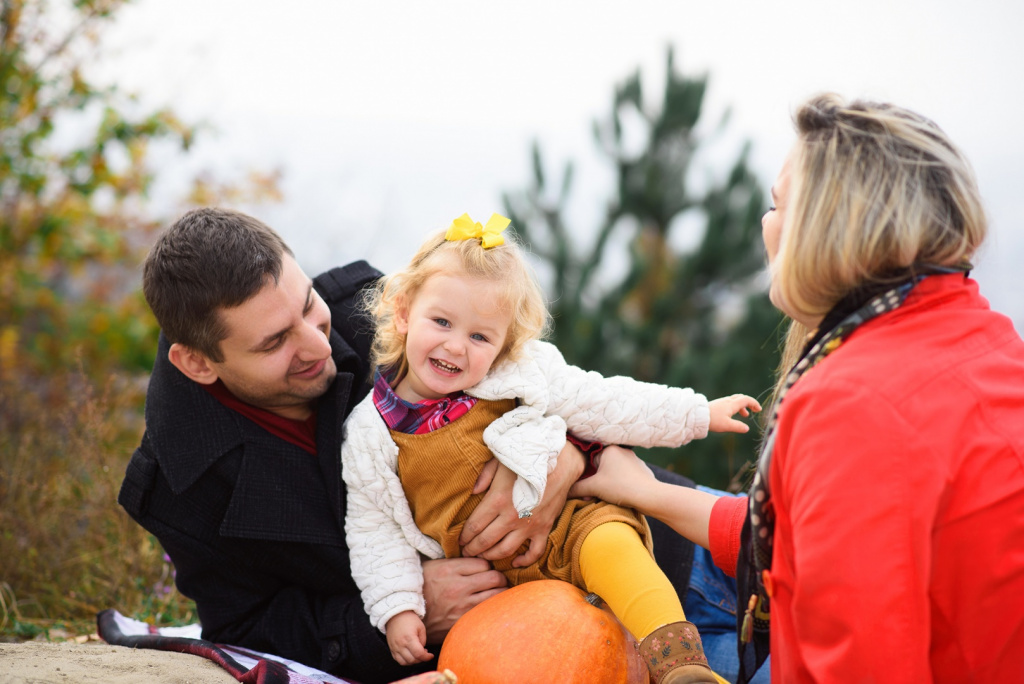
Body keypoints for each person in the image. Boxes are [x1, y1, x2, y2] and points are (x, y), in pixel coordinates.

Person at [118, 207, 757, 684]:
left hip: (670, 539)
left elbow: (567, 389)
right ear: (199, 363)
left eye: (308, 306)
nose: (319, 345)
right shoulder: (182, 488)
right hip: (559, 646)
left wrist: (563, 458)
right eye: (274, 342)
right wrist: (405, 605)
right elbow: (250, 629)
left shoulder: (395, 313)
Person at [570, 93, 1024, 684]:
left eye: (776, 206)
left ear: (826, 232)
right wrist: (650, 492)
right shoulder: (986, 338)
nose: (766, 225)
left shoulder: (854, 404)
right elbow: (801, 543)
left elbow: (855, 662)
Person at [341, 212, 762, 684]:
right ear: (402, 313)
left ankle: (683, 665)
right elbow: (374, 533)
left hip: (569, 524)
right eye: (441, 322)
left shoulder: (517, 376)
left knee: (614, 547)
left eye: (480, 336)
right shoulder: (369, 434)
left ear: (503, 345)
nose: (457, 346)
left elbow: (608, 401)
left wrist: (697, 414)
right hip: (504, 589)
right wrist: (398, 609)